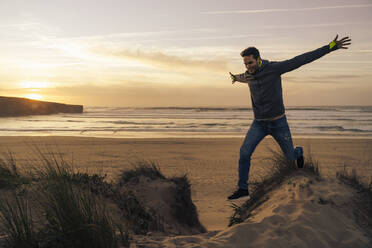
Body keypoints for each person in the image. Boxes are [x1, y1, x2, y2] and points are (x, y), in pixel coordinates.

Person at [227, 35, 351, 200]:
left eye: (250, 63)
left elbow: (301, 59)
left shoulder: (274, 68)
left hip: (279, 123)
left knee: (290, 158)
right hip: (259, 124)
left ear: (258, 59)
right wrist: (235, 77)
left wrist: (331, 47)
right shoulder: (248, 74)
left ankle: (298, 152)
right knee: (244, 153)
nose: (248, 67)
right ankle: (243, 189)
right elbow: (244, 77)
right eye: (245, 64)